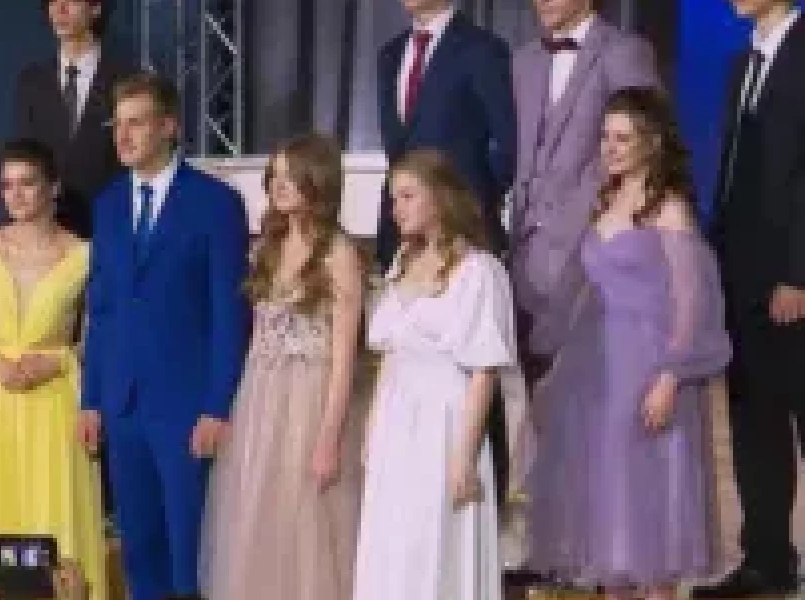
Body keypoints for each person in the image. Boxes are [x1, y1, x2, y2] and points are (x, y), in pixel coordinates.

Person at [527, 87, 731, 600]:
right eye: (605, 137)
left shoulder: (669, 210)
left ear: (651, 142)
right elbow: (586, 294)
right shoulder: (604, 201)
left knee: (654, 518)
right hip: (602, 372)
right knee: (610, 520)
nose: (610, 148)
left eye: (622, 138)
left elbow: (691, 304)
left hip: (651, 367)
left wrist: (670, 377)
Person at [78, 72, 250, 600]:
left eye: (136, 123)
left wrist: (217, 406)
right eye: (117, 124)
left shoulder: (216, 203)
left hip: (186, 408)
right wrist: (91, 400)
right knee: (139, 552)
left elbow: (229, 314)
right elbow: (102, 311)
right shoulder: (108, 204)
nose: (123, 136)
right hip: (123, 406)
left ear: (169, 126)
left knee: (189, 558)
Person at [0, 139, 109, 600]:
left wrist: (58, 361)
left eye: (27, 183)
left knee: (54, 520)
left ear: (53, 188)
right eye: (7, 185)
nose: (15, 195)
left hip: (55, 404)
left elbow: (100, 336)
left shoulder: (85, 255)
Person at [353, 148, 524, 600]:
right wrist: (372, 429)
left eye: (408, 196)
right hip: (397, 422)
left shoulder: (478, 272)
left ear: (439, 197)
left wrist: (463, 456)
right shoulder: (402, 264)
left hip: (445, 423)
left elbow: (483, 372)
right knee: (395, 542)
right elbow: (391, 356)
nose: (396, 208)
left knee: (435, 542)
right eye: (393, 198)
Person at [200, 133, 363, 600]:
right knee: (256, 517)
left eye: (291, 175)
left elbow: (344, 358)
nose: (279, 184)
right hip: (261, 398)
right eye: (275, 174)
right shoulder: (267, 248)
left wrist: (329, 439)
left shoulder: (338, 253)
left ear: (318, 180)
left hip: (310, 402)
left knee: (307, 523)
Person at [694, 0, 805, 597]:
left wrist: (797, 273)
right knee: (753, 421)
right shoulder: (743, 62)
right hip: (741, 273)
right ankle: (766, 560)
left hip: (792, 278)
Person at [509, 0, 660, 379]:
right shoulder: (524, 60)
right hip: (525, 257)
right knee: (534, 394)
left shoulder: (624, 51)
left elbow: (646, 150)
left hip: (590, 258)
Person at [374, 0, 515, 265]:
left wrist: (474, 201)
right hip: (398, 235)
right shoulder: (389, 55)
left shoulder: (483, 49)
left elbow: (508, 144)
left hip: (462, 233)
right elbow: (397, 147)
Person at [15, 0, 133, 238]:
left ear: (95, 8)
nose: (60, 9)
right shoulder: (31, 81)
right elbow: (26, 157)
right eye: (53, 2)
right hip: (46, 231)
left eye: (71, 1)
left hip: (108, 227)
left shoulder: (126, 80)